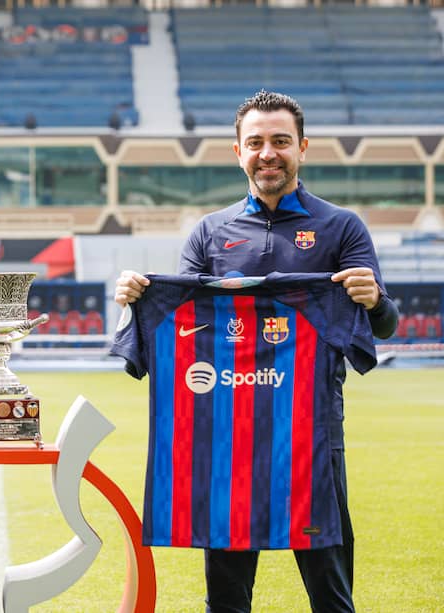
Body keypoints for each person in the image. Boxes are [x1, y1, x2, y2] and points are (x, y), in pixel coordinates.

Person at [114, 90, 398, 613]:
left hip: (311, 434)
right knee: (225, 597)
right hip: (226, 437)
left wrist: (376, 300)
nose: (269, 153)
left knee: (331, 591)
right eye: (257, 142)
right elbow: (185, 329)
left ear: (303, 148)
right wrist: (139, 301)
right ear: (238, 152)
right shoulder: (209, 232)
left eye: (281, 142)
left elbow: (382, 327)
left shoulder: (341, 227)